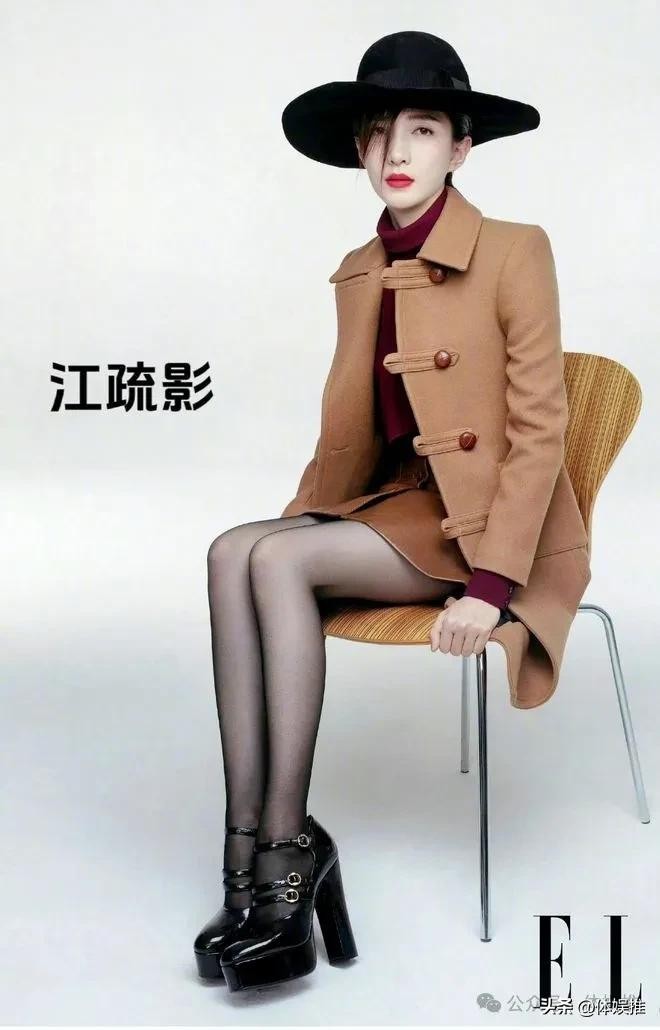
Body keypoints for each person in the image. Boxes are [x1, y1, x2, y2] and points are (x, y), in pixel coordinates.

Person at [194, 30, 577, 992]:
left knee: (276, 562)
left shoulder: (516, 250)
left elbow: (541, 435)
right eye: (377, 133)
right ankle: (245, 858)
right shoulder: (362, 266)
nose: (395, 152)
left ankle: (288, 859)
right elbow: (351, 438)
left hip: (487, 533)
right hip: (401, 507)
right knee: (233, 550)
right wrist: (302, 518)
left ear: (461, 148)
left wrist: (493, 585)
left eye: (423, 129)